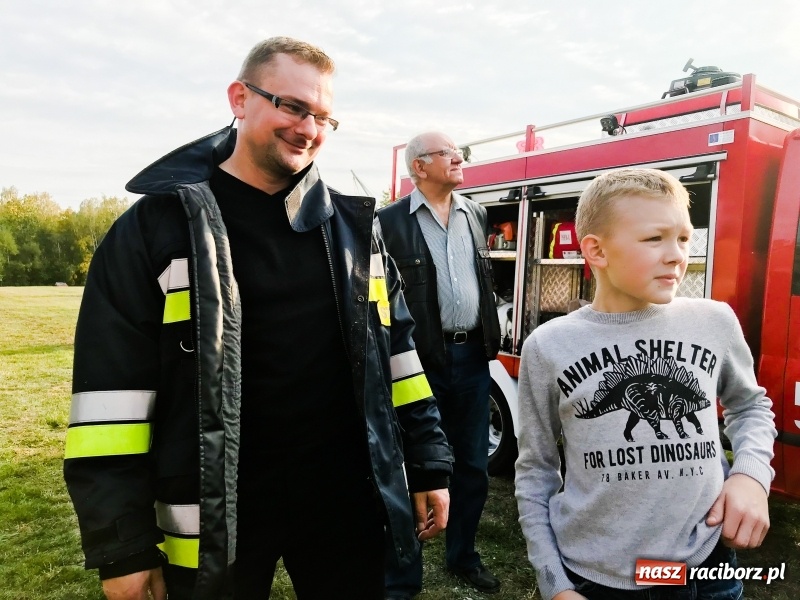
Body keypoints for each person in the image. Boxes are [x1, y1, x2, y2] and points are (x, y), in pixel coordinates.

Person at [63, 37, 453, 600]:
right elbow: (109, 401)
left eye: (323, 117)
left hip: (344, 502)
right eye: (292, 106)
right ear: (239, 99)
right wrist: (122, 546)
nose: (308, 129)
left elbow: (400, 358)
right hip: (214, 513)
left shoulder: (355, 231)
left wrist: (429, 462)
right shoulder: (156, 229)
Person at [514, 168, 777, 600]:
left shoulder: (714, 321)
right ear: (597, 250)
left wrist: (751, 475)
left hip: (705, 566)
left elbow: (750, 406)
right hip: (598, 576)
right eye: (654, 238)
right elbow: (535, 470)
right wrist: (554, 584)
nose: (676, 255)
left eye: (684, 238)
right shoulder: (547, 346)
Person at [377, 132, 502, 598]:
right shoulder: (388, 222)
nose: (459, 158)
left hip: (472, 360)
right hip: (416, 360)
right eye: (448, 153)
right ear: (419, 166)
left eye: (459, 152)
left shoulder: (476, 214)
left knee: (472, 464)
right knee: (410, 462)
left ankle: (462, 555)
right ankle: (403, 564)